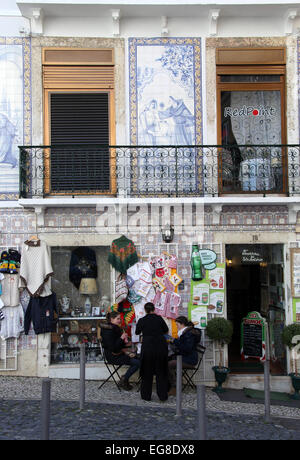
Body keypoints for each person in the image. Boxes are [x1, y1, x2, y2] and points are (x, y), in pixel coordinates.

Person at [135, 302, 169, 401]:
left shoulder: (142, 320)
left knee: (147, 371)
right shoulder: (159, 318)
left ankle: (146, 396)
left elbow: (137, 332)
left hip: (148, 346)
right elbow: (165, 330)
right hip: (160, 346)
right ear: (154, 309)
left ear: (145, 310)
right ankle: (162, 396)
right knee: (161, 371)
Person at [100, 311, 140, 391]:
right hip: (113, 356)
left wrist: (127, 343)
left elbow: (118, 344)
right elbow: (113, 347)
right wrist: (121, 338)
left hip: (117, 353)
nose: (120, 320)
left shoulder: (114, 328)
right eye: (118, 319)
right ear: (111, 319)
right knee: (137, 362)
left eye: (120, 319)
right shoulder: (108, 331)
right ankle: (124, 379)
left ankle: (125, 379)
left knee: (138, 357)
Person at [168, 316, 202, 395]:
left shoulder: (188, 334)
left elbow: (187, 349)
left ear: (182, 324)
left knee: (169, 364)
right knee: (168, 360)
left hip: (190, 359)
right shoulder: (186, 333)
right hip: (185, 357)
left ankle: (175, 387)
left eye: (177, 325)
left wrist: (174, 341)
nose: (176, 327)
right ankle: (170, 385)